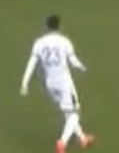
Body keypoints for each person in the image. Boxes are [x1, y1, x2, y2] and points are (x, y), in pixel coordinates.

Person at [20, 15, 95, 153]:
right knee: (74, 113)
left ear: (46, 26)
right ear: (59, 26)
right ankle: (62, 142)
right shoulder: (64, 42)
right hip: (64, 82)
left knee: (67, 111)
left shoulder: (39, 43)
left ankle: (82, 138)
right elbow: (73, 61)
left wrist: (24, 83)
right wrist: (83, 67)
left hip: (50, 83)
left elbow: (31, 64)